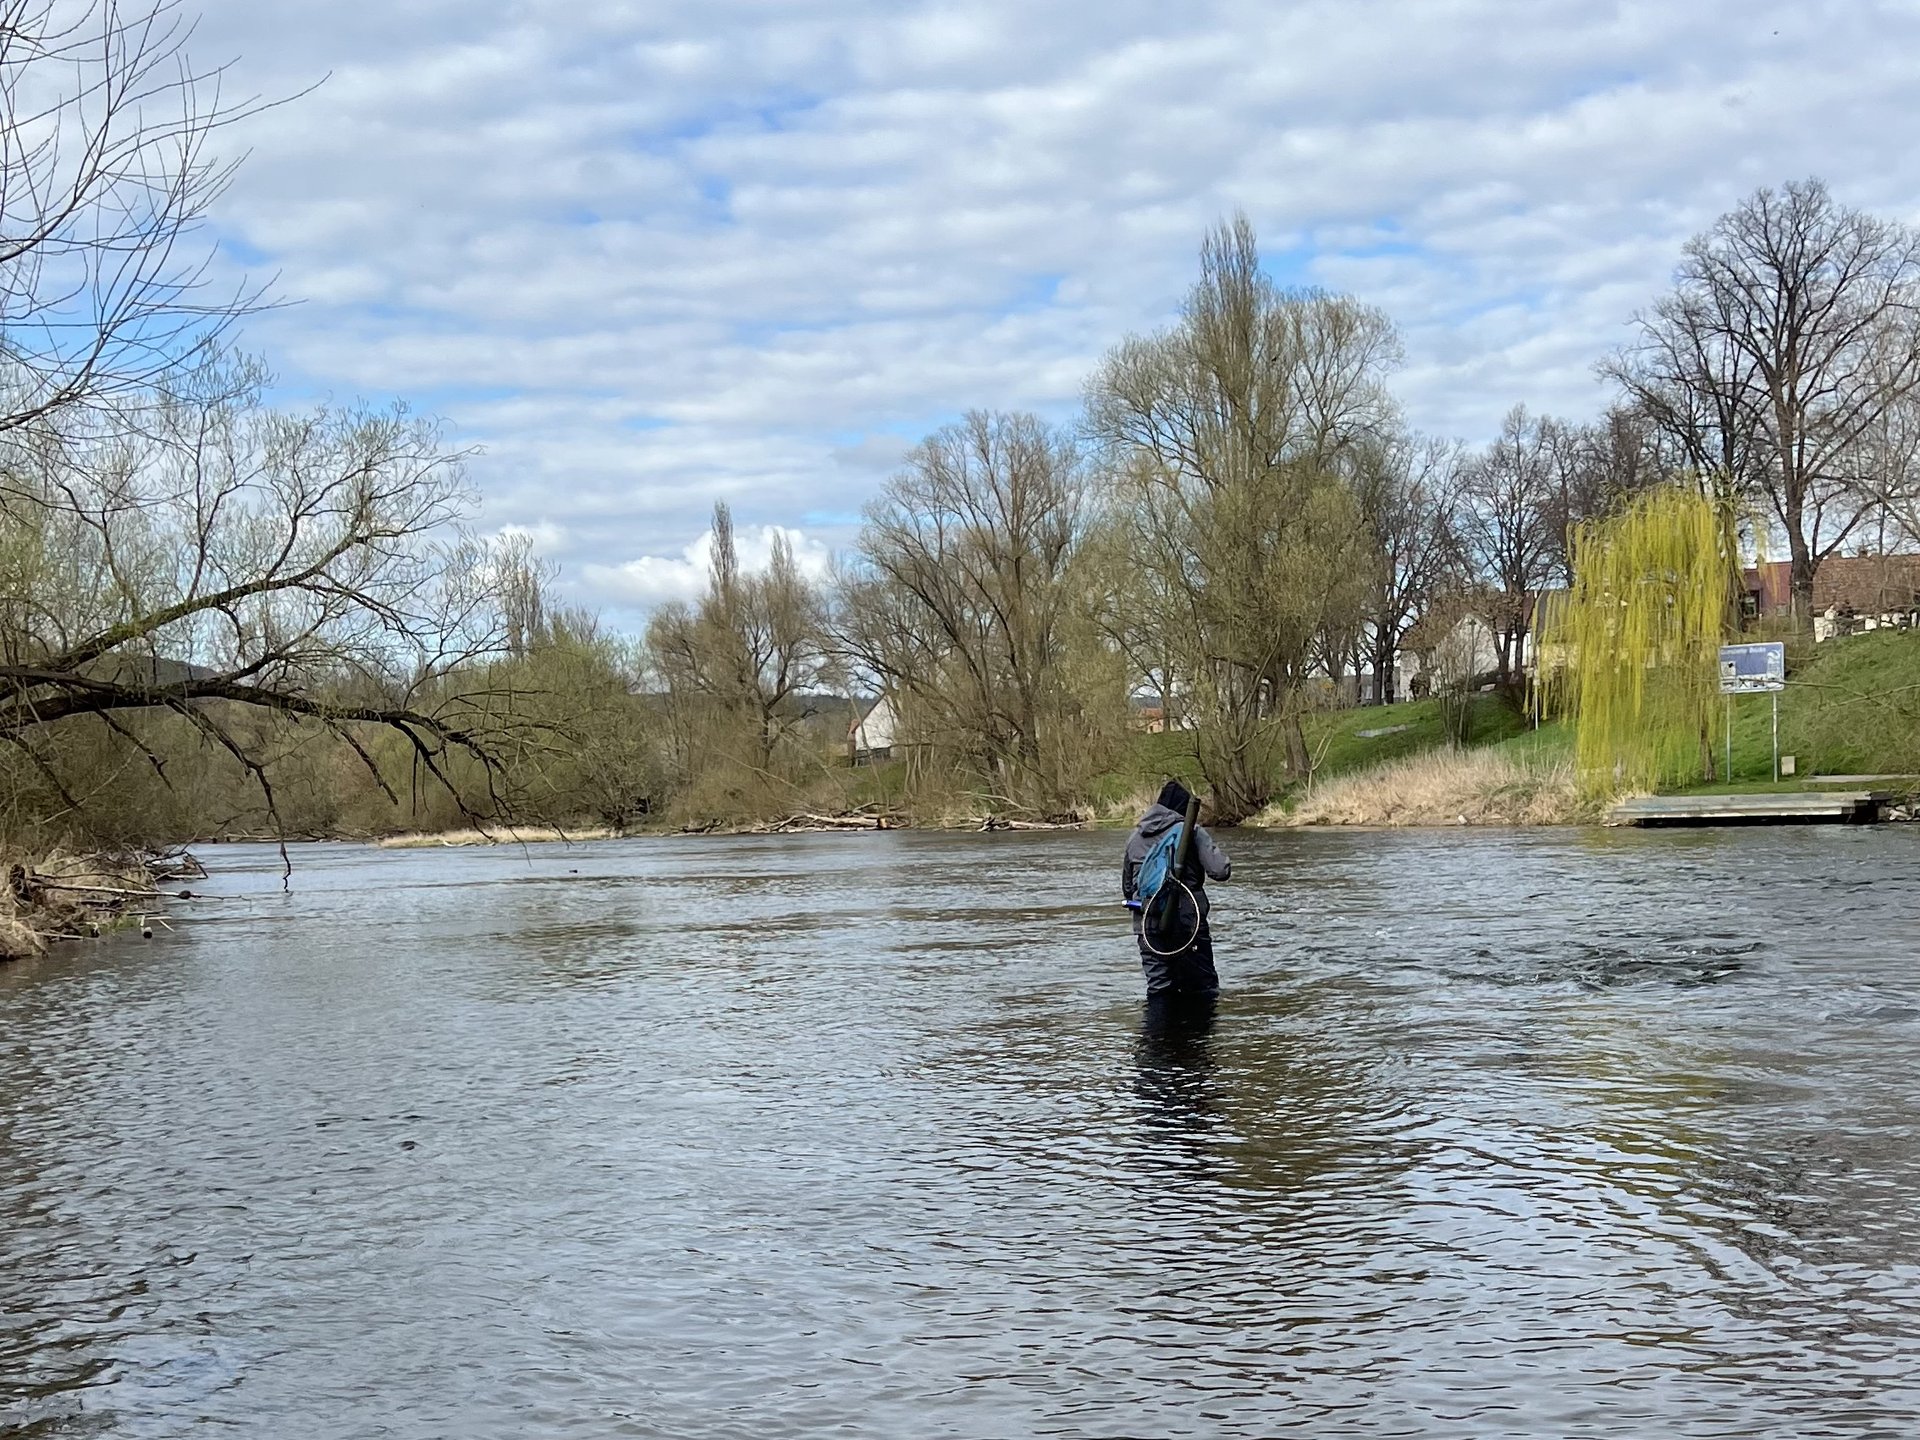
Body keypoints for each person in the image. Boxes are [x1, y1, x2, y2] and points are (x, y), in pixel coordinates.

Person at [1121, 779, 1232, 997]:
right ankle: (1198, 1031)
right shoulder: (1191, 831)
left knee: (1158, 990)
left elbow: (1127, 888)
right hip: (1188, 925)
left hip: (1148, 924)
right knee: (1203, 990)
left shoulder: (1134, 838)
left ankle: (1156, 1030)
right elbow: (1221, 871)